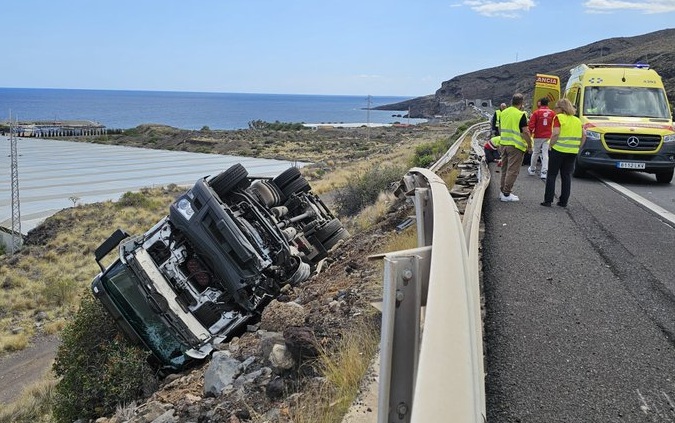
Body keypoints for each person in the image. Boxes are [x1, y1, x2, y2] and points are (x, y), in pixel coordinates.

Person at [541, 98, 586, 208]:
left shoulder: (559, 118)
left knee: (551, 175)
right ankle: (563, 201)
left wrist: (550, 145)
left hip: (558, 150)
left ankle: (548, 200)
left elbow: (556, 133)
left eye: (556, 107)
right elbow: (584, 135)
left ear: (561, 108)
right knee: (566, 176)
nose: (555, 110)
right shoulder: (577, 120)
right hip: (572, 152)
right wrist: (578, 147)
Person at [498, 93, 533, 202]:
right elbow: (525, 132)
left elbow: (499, 128)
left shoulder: (503, 113)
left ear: (511, 101)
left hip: (503, 144)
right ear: (521, 103)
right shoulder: (520, 114)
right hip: (515, 146)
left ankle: (502, 191)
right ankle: (506, 193)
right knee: (512, 171)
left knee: (504, 169)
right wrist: (530, 145)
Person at [527, 97, 556, 180]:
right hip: (548, 136)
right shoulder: (552, 113)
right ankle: (544, 172)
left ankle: (532, 169)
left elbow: (531, 125)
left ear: (540, 103)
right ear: (548, 104)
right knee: (545, 153)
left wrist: (530, 133)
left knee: (535, 152)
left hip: (538, 135)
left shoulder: (536, 113)